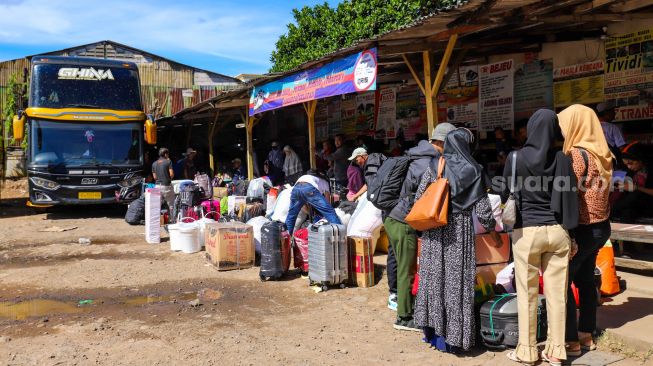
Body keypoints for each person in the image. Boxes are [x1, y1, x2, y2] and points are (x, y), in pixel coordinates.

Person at [414, 128, 499, 352]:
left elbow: (419, 197)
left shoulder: (436, 165)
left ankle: (432, 334)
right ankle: (454, 340)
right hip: (459, 232)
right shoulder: (474, 170)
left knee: (433, 281)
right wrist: (493, 232)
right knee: (456, 285)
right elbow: (483, 210)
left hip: (434, 230)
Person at [503, 109, 578, 366]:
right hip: (558, 232)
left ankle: (527, 350)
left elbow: (505, 192)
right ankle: (556, 351)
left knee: (527, 294)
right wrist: (572, 235)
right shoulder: (562, 159)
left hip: (527, 233)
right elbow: (569, 198)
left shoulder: (515, 158)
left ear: (532, 129)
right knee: (558, 295)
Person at [384, 122, 456, 331]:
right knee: (407, 270)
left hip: (392, 216)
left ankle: (406, 306)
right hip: (402, 220)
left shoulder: (415, 154)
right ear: (443, 142)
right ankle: (404, 317)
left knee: (403, 266)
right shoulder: (428, 162)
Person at [557, 104, 613, 357]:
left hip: (582, 229)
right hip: (601, 227)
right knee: (587, 281)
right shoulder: (603, 153)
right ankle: (586, 334)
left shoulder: (577, 154)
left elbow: (567, 193)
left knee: (564, 282)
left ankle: (571, 340)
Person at [612, 142, 653, 222]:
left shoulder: (650, 170)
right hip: (634, 205)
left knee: (635, 193)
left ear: (640, 159)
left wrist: (637, 188)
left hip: (648, 203)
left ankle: (612, 211)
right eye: (626, 165)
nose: (629, 167)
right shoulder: (631, 171)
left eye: (631, 163)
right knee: (627, 213)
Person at [596, 102, 626, 169]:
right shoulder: (612, 127)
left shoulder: (590, 127)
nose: (615, 113)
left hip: (596, 163)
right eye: (613, 111)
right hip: (610, 163)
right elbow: (622, 148)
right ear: (607, 114)